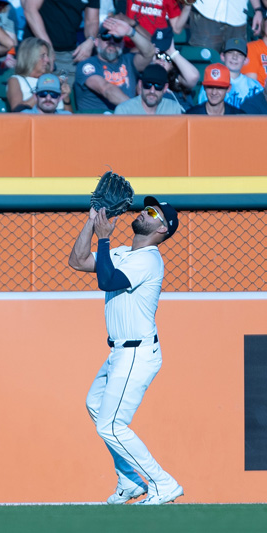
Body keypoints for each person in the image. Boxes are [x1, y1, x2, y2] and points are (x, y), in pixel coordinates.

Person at [68, 195, 183, 506]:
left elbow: (107, 281)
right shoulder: (122, 252)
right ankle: (130, 479)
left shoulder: (149, 260)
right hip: (119, 353)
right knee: (95, 405)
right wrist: (91, 223)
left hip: (136, 353)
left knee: (111, 425)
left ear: (162, 229)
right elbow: (78, 261)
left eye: (153, 213)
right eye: (146, 208)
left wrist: (104, 238)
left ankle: (163, 483)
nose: (145, 212)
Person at [74, 17, 155, 113]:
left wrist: (130, 31)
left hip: (124, 118)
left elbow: (149, 52)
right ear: (96, 42)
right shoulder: (87, 65)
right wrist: (136, 109)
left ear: (122, 44)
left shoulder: (129, 61)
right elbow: (106, 89)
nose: (111, 41)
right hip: (96, 119)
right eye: (106, 36)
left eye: (117, 38)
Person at [196, 37, 262, 110]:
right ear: (222, 56)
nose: (234, 57)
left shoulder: (254, 85)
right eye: (230, 53)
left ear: (246, 60)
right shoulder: (212, 82)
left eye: (240, 54)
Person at [114, 62, 185, 115]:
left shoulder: (173, 109)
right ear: (140, 84)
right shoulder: (124, 111)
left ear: (165, 88)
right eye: (148, 85)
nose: (152, 91)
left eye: (158, 86)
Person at [6, 36, 54, 110]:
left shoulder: (52, 80)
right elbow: (17, 110)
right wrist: (43, 89)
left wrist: (66, 98)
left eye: (47, 56)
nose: (47, 60)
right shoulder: (16, 81)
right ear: (30, 57)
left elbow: (69, 114)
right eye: (43, 56)